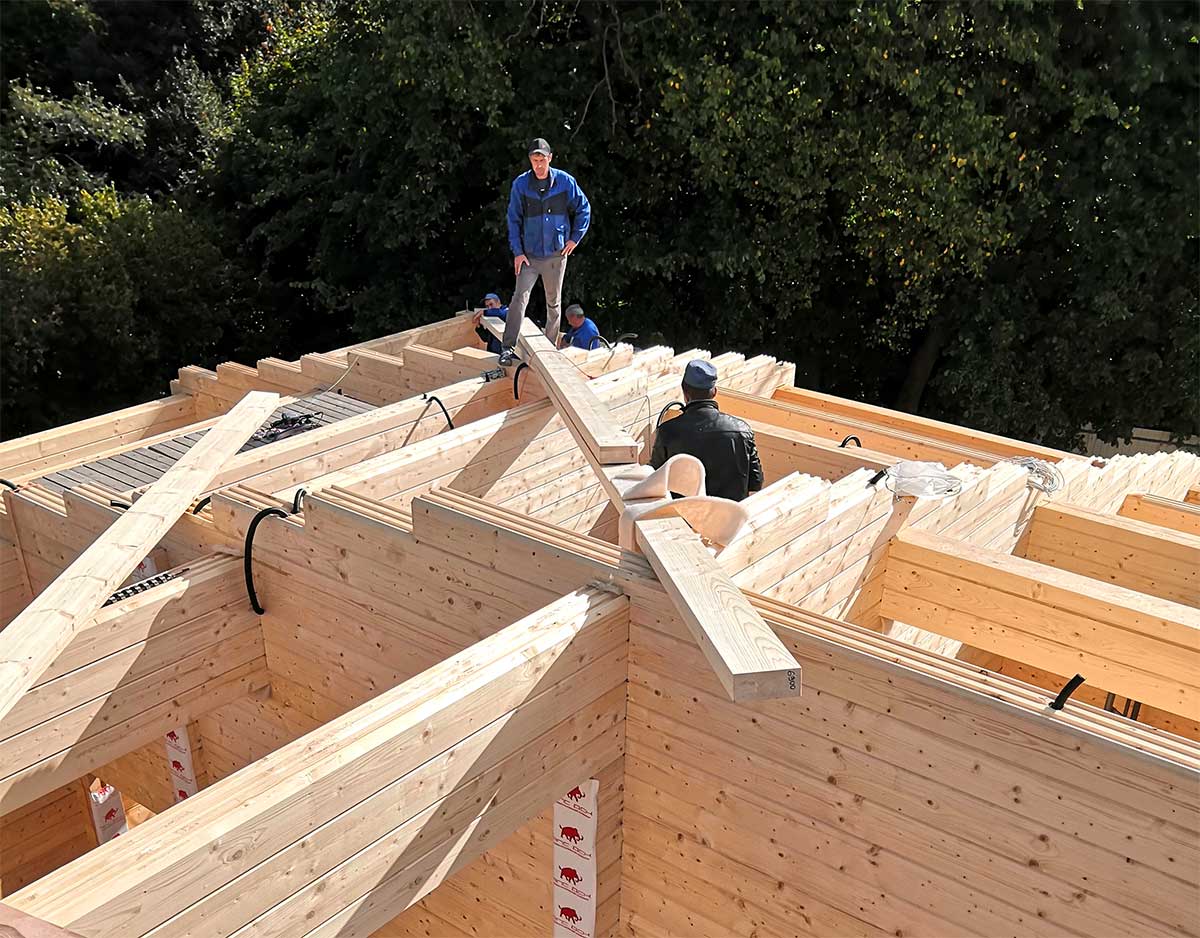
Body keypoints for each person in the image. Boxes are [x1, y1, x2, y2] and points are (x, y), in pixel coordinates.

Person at [500, 138, 591, 364]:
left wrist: (575, 238)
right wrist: (518, 252)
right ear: (530, 160)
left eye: (542, 160)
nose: (538, 165)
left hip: (556, 255)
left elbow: (584, 208)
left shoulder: (565, 182)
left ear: (550, 158)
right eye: (534, 160)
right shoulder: (521, 184)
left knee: (554, 303)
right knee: (519, 299)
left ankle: (549, 351)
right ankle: (507, 348)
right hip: (529, 256)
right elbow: (513, 219)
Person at [649, 360, 764, 502]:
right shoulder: (742, 430)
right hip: (730, 513)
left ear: (684, 391)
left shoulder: (667, 431)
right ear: (714, 392)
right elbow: (756, 482)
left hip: (683, 513)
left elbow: (654, 480)